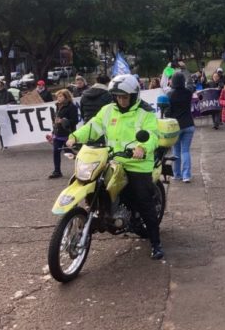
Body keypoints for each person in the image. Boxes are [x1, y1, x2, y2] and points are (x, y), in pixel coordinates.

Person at [66, 74, 165, 260]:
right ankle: (105, 211)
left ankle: (155, 242)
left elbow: (152, 135)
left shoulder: (146, 112)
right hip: (113, 159)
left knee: (143, 201)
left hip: (138, 163)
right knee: (97, 183)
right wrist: (75, 137)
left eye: (125, 97)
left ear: (134, 95)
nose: (121, 100)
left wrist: (142, 148)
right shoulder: (108, 110)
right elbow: (92, 126)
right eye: (118, 96)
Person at [166, 72, 195, 183]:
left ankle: (177, 174)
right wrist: (186, 71)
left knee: (176, 151)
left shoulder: (169, 94)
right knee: (185, 151)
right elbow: (191, 85)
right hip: (189, 124)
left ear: (172, 81)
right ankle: (186, 175)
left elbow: (168, 112)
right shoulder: (188, 92)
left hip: (175, 126)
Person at [49, 89, 78, 179]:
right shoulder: (57, 106)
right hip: (58, 134)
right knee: (56, 152)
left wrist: (63, 121)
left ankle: (81, 169)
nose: (58, 98)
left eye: (61, 96)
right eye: (58, 96)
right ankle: (57, 171)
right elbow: (56, 121)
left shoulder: (72, 107)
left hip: (67, 134)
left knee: (70, 153)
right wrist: (53, 132)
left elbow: (75, 121)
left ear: (66, 97)